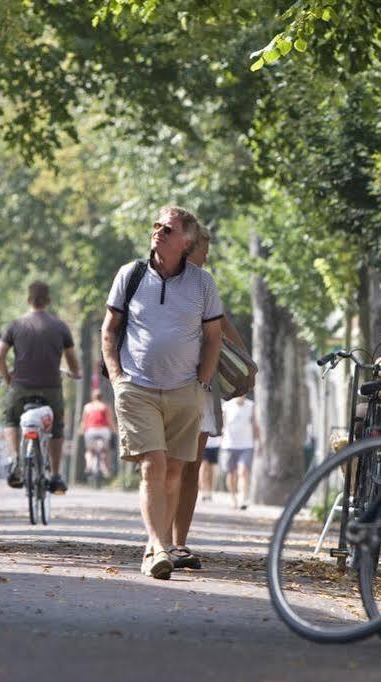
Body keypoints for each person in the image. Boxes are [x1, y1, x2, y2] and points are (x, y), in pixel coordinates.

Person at [102, 205, 223, 580]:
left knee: (173, 472)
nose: (158, 232)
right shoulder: (131, 274)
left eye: (167, 229)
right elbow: (110, 330)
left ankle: (157, 547)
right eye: (156, 226)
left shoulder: (202, 284)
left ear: (186, 241)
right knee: (153, 465)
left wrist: (202, 383)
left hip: (184, 391)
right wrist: (117, 378)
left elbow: (214, 337)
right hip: (136, 388)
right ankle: (157, 546)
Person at [170, 221, 254, 570]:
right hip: (170, 384)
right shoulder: (161, 282)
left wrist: (245, 366)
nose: (208, 256)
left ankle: (179, 544)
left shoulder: (205, 286)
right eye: (205, 249)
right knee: (170, 466)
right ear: (190, 248)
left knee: (191, 466)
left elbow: (223, 328)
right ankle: (159, 541)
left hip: (202, 388)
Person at [0, 281, 81, 495]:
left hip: (21, 388)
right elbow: (71, 358)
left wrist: (8, 378)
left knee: (10, 418)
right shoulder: (60, 327)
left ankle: (16, 461)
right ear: (48, 301)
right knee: (57, 427)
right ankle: (56, 475)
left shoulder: (15, 326)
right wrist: (75, 373)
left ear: (28, 300)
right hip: (51, 388)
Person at [219, 393, 259, 510]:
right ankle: (233, 497)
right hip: (229, 444)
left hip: (246, 445)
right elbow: (221, 424)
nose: (242, 394)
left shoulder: (251, 405)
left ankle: (243, 498)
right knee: (231, 474)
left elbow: (255, 424)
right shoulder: (226, 406)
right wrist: (220, 440)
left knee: (243, 472)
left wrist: (259, 443)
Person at [79, 389, 117, 479]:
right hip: (103, 431)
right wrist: (115, 431)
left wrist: (81, 430)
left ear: (93, 397)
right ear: (101, 397)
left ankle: (88, 466)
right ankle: (106, 469)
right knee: (106, 450)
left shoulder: (87, 407)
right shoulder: (105, 406)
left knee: (89, 450)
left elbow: (84, 422)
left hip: (91, 431)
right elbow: (110, 421)